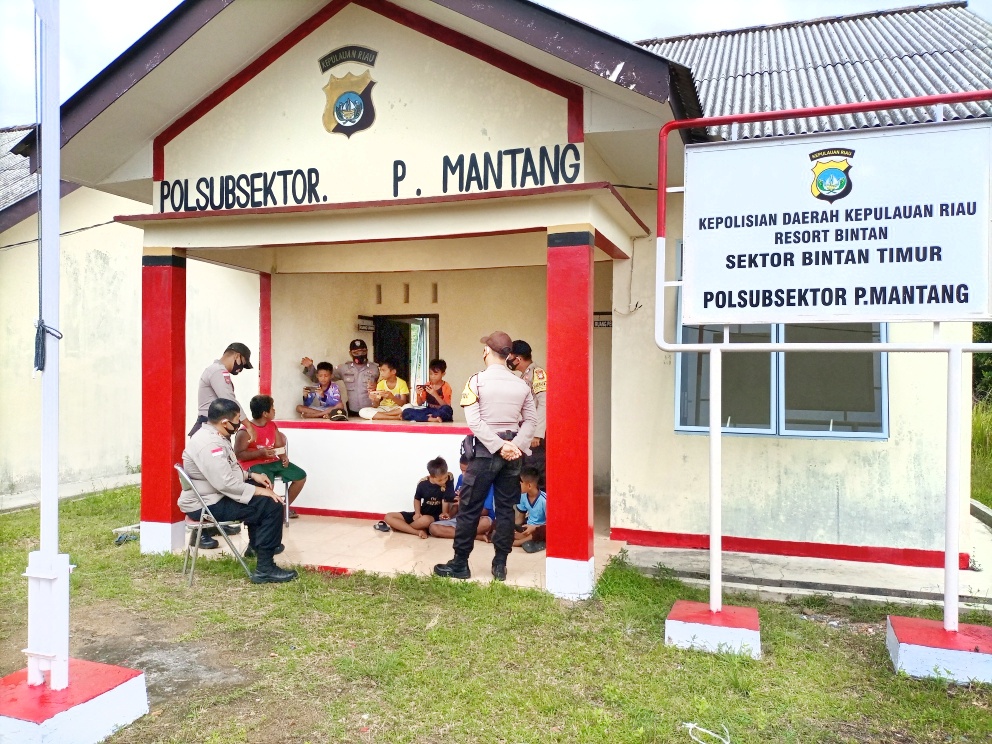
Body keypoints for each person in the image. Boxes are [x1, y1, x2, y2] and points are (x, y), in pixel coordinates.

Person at [434, 331, 537, 582]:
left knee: (469, 509)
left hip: (484, 453)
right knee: (505, 510)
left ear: (486, 352)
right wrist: (514, 446)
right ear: (509, 355)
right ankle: (500, 565)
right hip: (513, 454)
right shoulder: (521, 384)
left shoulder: (476, 381)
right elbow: (532, 420)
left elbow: (474, 421)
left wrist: (498, 446)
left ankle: (460, 564)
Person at [179, 398, 297, 583]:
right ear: (225, 422)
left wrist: (251, 476)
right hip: (207, 503)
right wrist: (260, 492)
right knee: (271, 505)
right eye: (236, 420)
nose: (239, 424)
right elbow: (225, 483)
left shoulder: (214, 434)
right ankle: (265, 569)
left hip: (212, 496)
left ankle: (255, 547)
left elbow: (229, 470)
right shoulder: (210, 444)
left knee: (261, 492)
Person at [236, 395, 307, 520]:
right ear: (265, 413)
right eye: (272, 408)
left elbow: (279, 446)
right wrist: (260, 453)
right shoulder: (245, 431)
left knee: (300, 476)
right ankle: (271, 513)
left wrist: (284, 457)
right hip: (254, 464)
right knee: (268, 483)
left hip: (272, 461)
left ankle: (284, 508)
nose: (275, 410)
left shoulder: (272, 426)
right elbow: (239, 454)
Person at [376, 456, 456, 538]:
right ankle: (417, 531)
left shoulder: (449, 478)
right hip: (423, 512)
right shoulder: (422, 484)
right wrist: (417, 513)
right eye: (440, 480)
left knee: (425, 520)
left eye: (445, 478)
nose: (444, 481)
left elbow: (445, 499)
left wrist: (444, 513)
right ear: (431, 476)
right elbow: (417, 498)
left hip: (435, 516)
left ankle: (401, 528)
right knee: (388, 516)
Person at [188, 342, 253, 437]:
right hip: (210, 426)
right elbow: (229, 400)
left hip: (213, 426)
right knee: (216, 451)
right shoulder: (218, 371)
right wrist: (248, 425)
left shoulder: (215, 370)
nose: (241, 368)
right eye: (243, 364)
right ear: (237, 356)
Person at [507, 340, 547, 490]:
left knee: (536, 473)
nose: (508, 359)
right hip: (525, 432)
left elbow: (544, 403)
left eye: (510, 355)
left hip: (534, 437)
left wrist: (537, 433)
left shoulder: (537, 373)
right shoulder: (525, 375)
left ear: (518, 358)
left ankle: (541, 511)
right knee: (526, 472)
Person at [429, 455, 494, 540]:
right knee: (433, 528)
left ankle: (464, 534)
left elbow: (485, 512)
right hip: (461, 519)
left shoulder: (487, 482)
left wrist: (464, 504)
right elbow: (456, 503)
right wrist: (449, 515)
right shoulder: (461, 478)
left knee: (485, 523)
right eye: (461, 470)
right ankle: (476, 536)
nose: (463, 474)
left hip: (478, 519)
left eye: (466, 471)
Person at [329, 340, 379, 415]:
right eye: (356, 353)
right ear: (350, 353)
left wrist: (376, 386)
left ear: (367, 351)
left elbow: (386, 386)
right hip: (352, 410)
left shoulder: (375, 368)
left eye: (363, 352)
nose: (360, 354)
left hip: (372, 410)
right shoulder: (343, 368)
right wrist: (310, 368)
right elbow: (323, 377)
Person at [402, 358, 454, 423]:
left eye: (435, 374)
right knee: (406, 412)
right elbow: (420, 404)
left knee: (447, 410)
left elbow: (446, 405)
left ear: (443, 374)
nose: (433, 377)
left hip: (440, 411)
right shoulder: (427, 385)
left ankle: (427, 417)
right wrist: (418, 394)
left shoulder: (446, 386)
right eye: (431, 374)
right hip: (429, 410)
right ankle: (432, 418)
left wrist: (435, 394)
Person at [513, 465, 547, 552]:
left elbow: (551, 525)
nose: (517, 486)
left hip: (539, 528)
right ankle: (525, 539)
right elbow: (520, 518)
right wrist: (512, 526)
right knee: (502, 524)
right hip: (527, 527)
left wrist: (534, 527)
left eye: (520, 483)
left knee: (543, 532)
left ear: (529, 485)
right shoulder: (523, 496)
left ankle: (520, 541)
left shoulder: (544, 500)